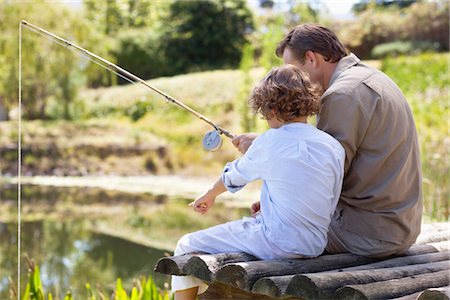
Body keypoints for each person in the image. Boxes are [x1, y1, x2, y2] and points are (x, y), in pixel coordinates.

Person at [232, 24, 423, 259]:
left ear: (311, 58)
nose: (293, 82)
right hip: (399, 227)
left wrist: (264, 146)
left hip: (366, 234)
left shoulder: (341, 94)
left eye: (294, 71)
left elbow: (318, 174)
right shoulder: (372, 77)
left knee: (251, 237)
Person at [171, 65, 345, 300]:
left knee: (186, 244)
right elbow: (327, 197)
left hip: (277, 242)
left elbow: (233, 176)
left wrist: (209, 195)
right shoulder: (332, 145)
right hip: (314, 245)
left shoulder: (269, 141)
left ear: (270, 107)